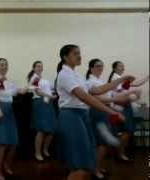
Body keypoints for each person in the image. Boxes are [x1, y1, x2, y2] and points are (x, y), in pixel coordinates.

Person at [55, 44, 132, 180]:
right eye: (75, 53)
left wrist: (121, 79)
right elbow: (84, 97)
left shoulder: (76, 75)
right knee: (78, 165)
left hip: (82, 116)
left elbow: (97, 90)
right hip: (71, 116)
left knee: (85, 163)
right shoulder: (64, 74)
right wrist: (111, 112)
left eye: (79, 53)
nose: (79, 56)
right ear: (65, 57)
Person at [86, 59, 134, 179]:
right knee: (101, 144)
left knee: (105, 143)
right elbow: (98, 99)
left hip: (104, 111)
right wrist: (117, 101)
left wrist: (118, 101)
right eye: (98, 66)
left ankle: (99, 167)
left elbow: (111, 95)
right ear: (91, 68)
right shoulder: (90, 81)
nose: (100, 68)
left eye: (102, 66)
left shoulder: (99, 81)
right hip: (98, 112)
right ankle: (95, 171)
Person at [0, 58, 27, 180]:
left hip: (9, 111)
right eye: (1, 65)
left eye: (6, 65)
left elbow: (16, 92)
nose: (4, 66)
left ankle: (6, 165)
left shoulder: (8, 82)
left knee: (13, 143)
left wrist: (26, 88)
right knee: (3, 144)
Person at [108, 61, 149, 163]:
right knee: (127, 130)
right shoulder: (115, 79)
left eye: (123, 66)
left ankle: (119, 153)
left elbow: (136, 84)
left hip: (125, 106)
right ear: (114, 68)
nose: (123, 68)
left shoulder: (121, 79)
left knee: (126, 131)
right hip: (120, 107)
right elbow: (120, 94)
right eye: (120, 66)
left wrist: (148, 76)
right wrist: (134, 95)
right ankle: (119, 154)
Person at [27, 61, 57, 162]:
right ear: (34, 68)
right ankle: (37, 152)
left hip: (49, 104)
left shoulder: (44, 79)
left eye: (41, 66)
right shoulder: (34, 78)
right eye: (38, 66)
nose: (40, 68)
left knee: (51, 130)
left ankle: (45, 149)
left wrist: (53, 94)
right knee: (41, 130)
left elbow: (52, 89)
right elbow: (38, 92)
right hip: (40, 104)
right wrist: (50, 96)